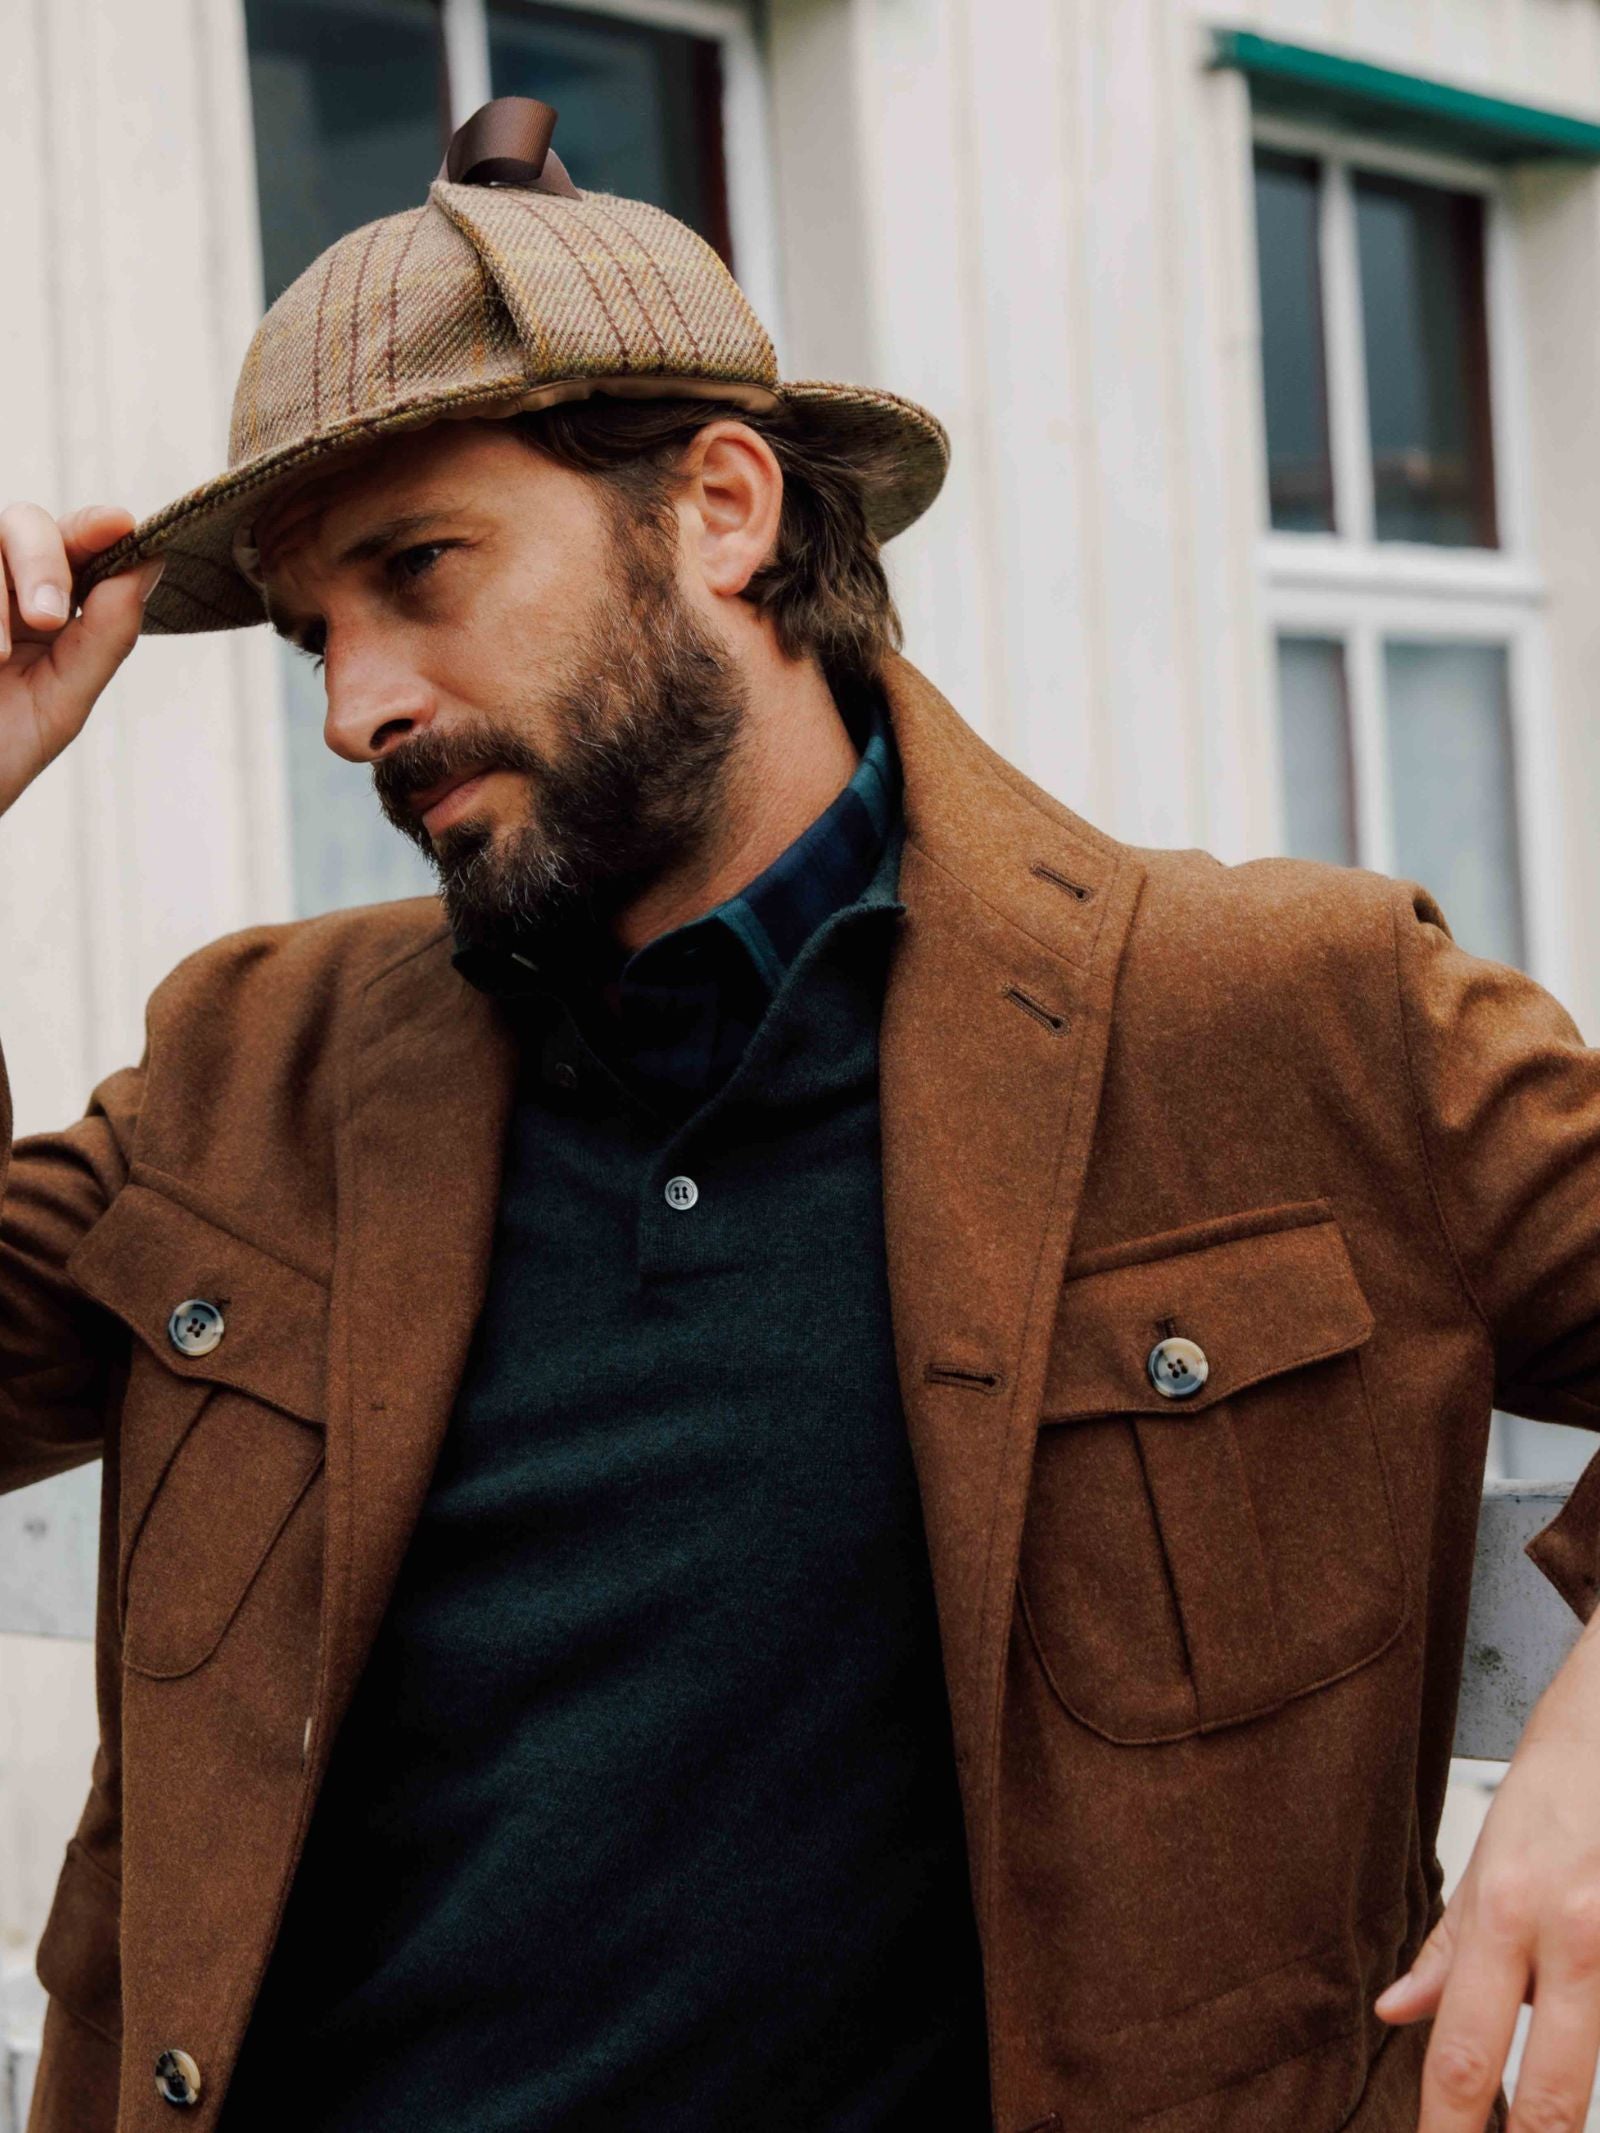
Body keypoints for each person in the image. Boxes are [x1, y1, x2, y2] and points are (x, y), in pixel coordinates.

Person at [5, 94, 1600, 2133]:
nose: (352, 707)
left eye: (418, 570)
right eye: (318, 631)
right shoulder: (253, 1062)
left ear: (721, 507)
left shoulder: (1280, 1019)